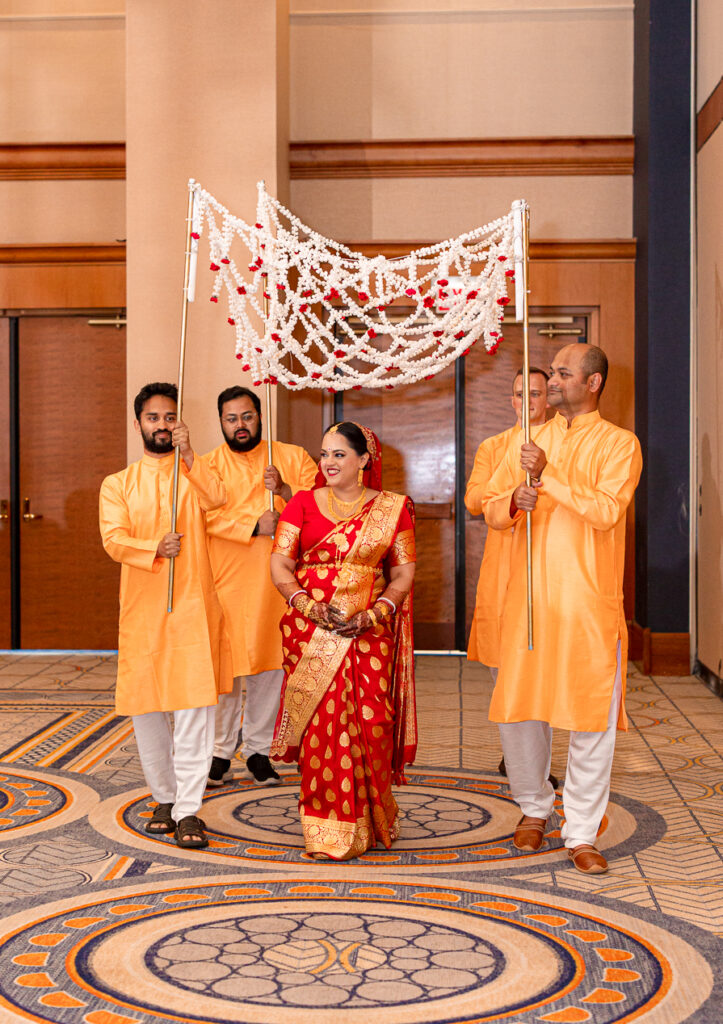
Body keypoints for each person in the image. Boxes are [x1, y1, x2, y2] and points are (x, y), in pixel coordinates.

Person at [483, 345, 642, 874]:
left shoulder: (620, 444)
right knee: (522, 710)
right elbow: (491, 508)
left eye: (562, 372)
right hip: (527, 599)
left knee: (591, 717)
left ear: (592, 383)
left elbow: (604, 510)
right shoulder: (530, 441)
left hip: (587, 603)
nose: (550, 380)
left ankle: (580, 830)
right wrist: (512, 501)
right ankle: (533, 807)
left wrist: (547, 480)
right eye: (551, 371)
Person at [268, 421, 417, 861]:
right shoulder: (300, 504)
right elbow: (280, 565)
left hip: (368, 635)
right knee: (320, 731)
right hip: (311, 631)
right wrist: (310, 607)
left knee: (371, 725)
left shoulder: (394, 508)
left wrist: (374, 614)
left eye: (338, 454)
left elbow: (403, 573)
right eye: (324, 454)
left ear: (364, 460)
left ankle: (371, 818)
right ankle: (324, 827)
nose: (328, 462)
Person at [99, 383, 233, 850]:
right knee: (148, 710)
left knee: (195, 708)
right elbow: (113, 540)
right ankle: (164, 796)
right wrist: (153, 547)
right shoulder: (118, 483)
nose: (161, 424)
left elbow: (219, 498)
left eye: (169, 417)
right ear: (138, 423)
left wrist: (192, 454)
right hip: (142, 612)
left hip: (193, 609)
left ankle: (189, 809)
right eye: (152, 417)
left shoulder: (194, 474)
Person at [202, 386, 317, 787]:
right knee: (226, 671)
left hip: (274, 584)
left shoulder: (290, 457)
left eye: (247, 417)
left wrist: (285, 492)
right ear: (221, 422)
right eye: (231, 419)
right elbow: (200, 518)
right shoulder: (207, 466)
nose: (240, 425)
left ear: (259, 417)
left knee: (269, 669)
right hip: (224, 582)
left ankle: (258, 751)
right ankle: (218, 751)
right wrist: (253, 525)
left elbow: (319, 506)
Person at [466, 367, 549, 671]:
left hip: (548, 552)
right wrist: (507, 490)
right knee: (503, 658)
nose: (526, 401)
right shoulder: (494, 446)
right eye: (519, 394)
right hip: (503, 554)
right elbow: (474, 501)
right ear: (511, 400)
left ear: (549, 400)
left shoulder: (563, 441)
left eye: (535, 394)